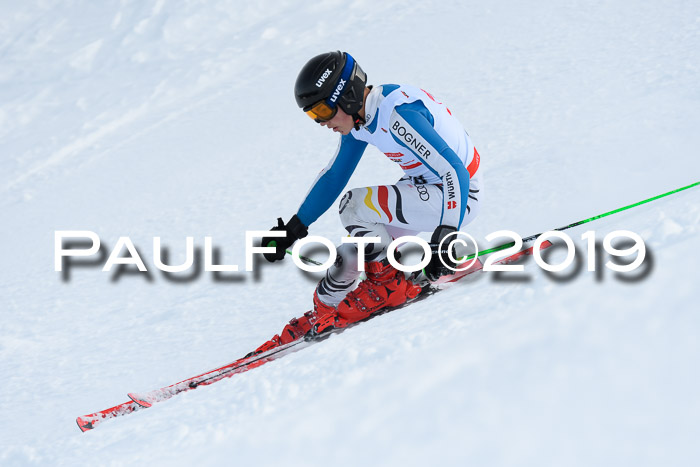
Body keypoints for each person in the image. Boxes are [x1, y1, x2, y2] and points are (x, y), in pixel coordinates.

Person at [254, 50, 482, 351]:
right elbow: (334, 176)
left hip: (458, 195)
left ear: (346, 96)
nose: (321, 122)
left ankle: (387, 286)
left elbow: (455, 171)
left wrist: (446, 234)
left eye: (322, 110)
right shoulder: (363, 119)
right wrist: (293, 229)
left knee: (354, 206)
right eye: (312, 115)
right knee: (352, 255)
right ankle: (329, 307)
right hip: (430, 189)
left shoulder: (397, 115)